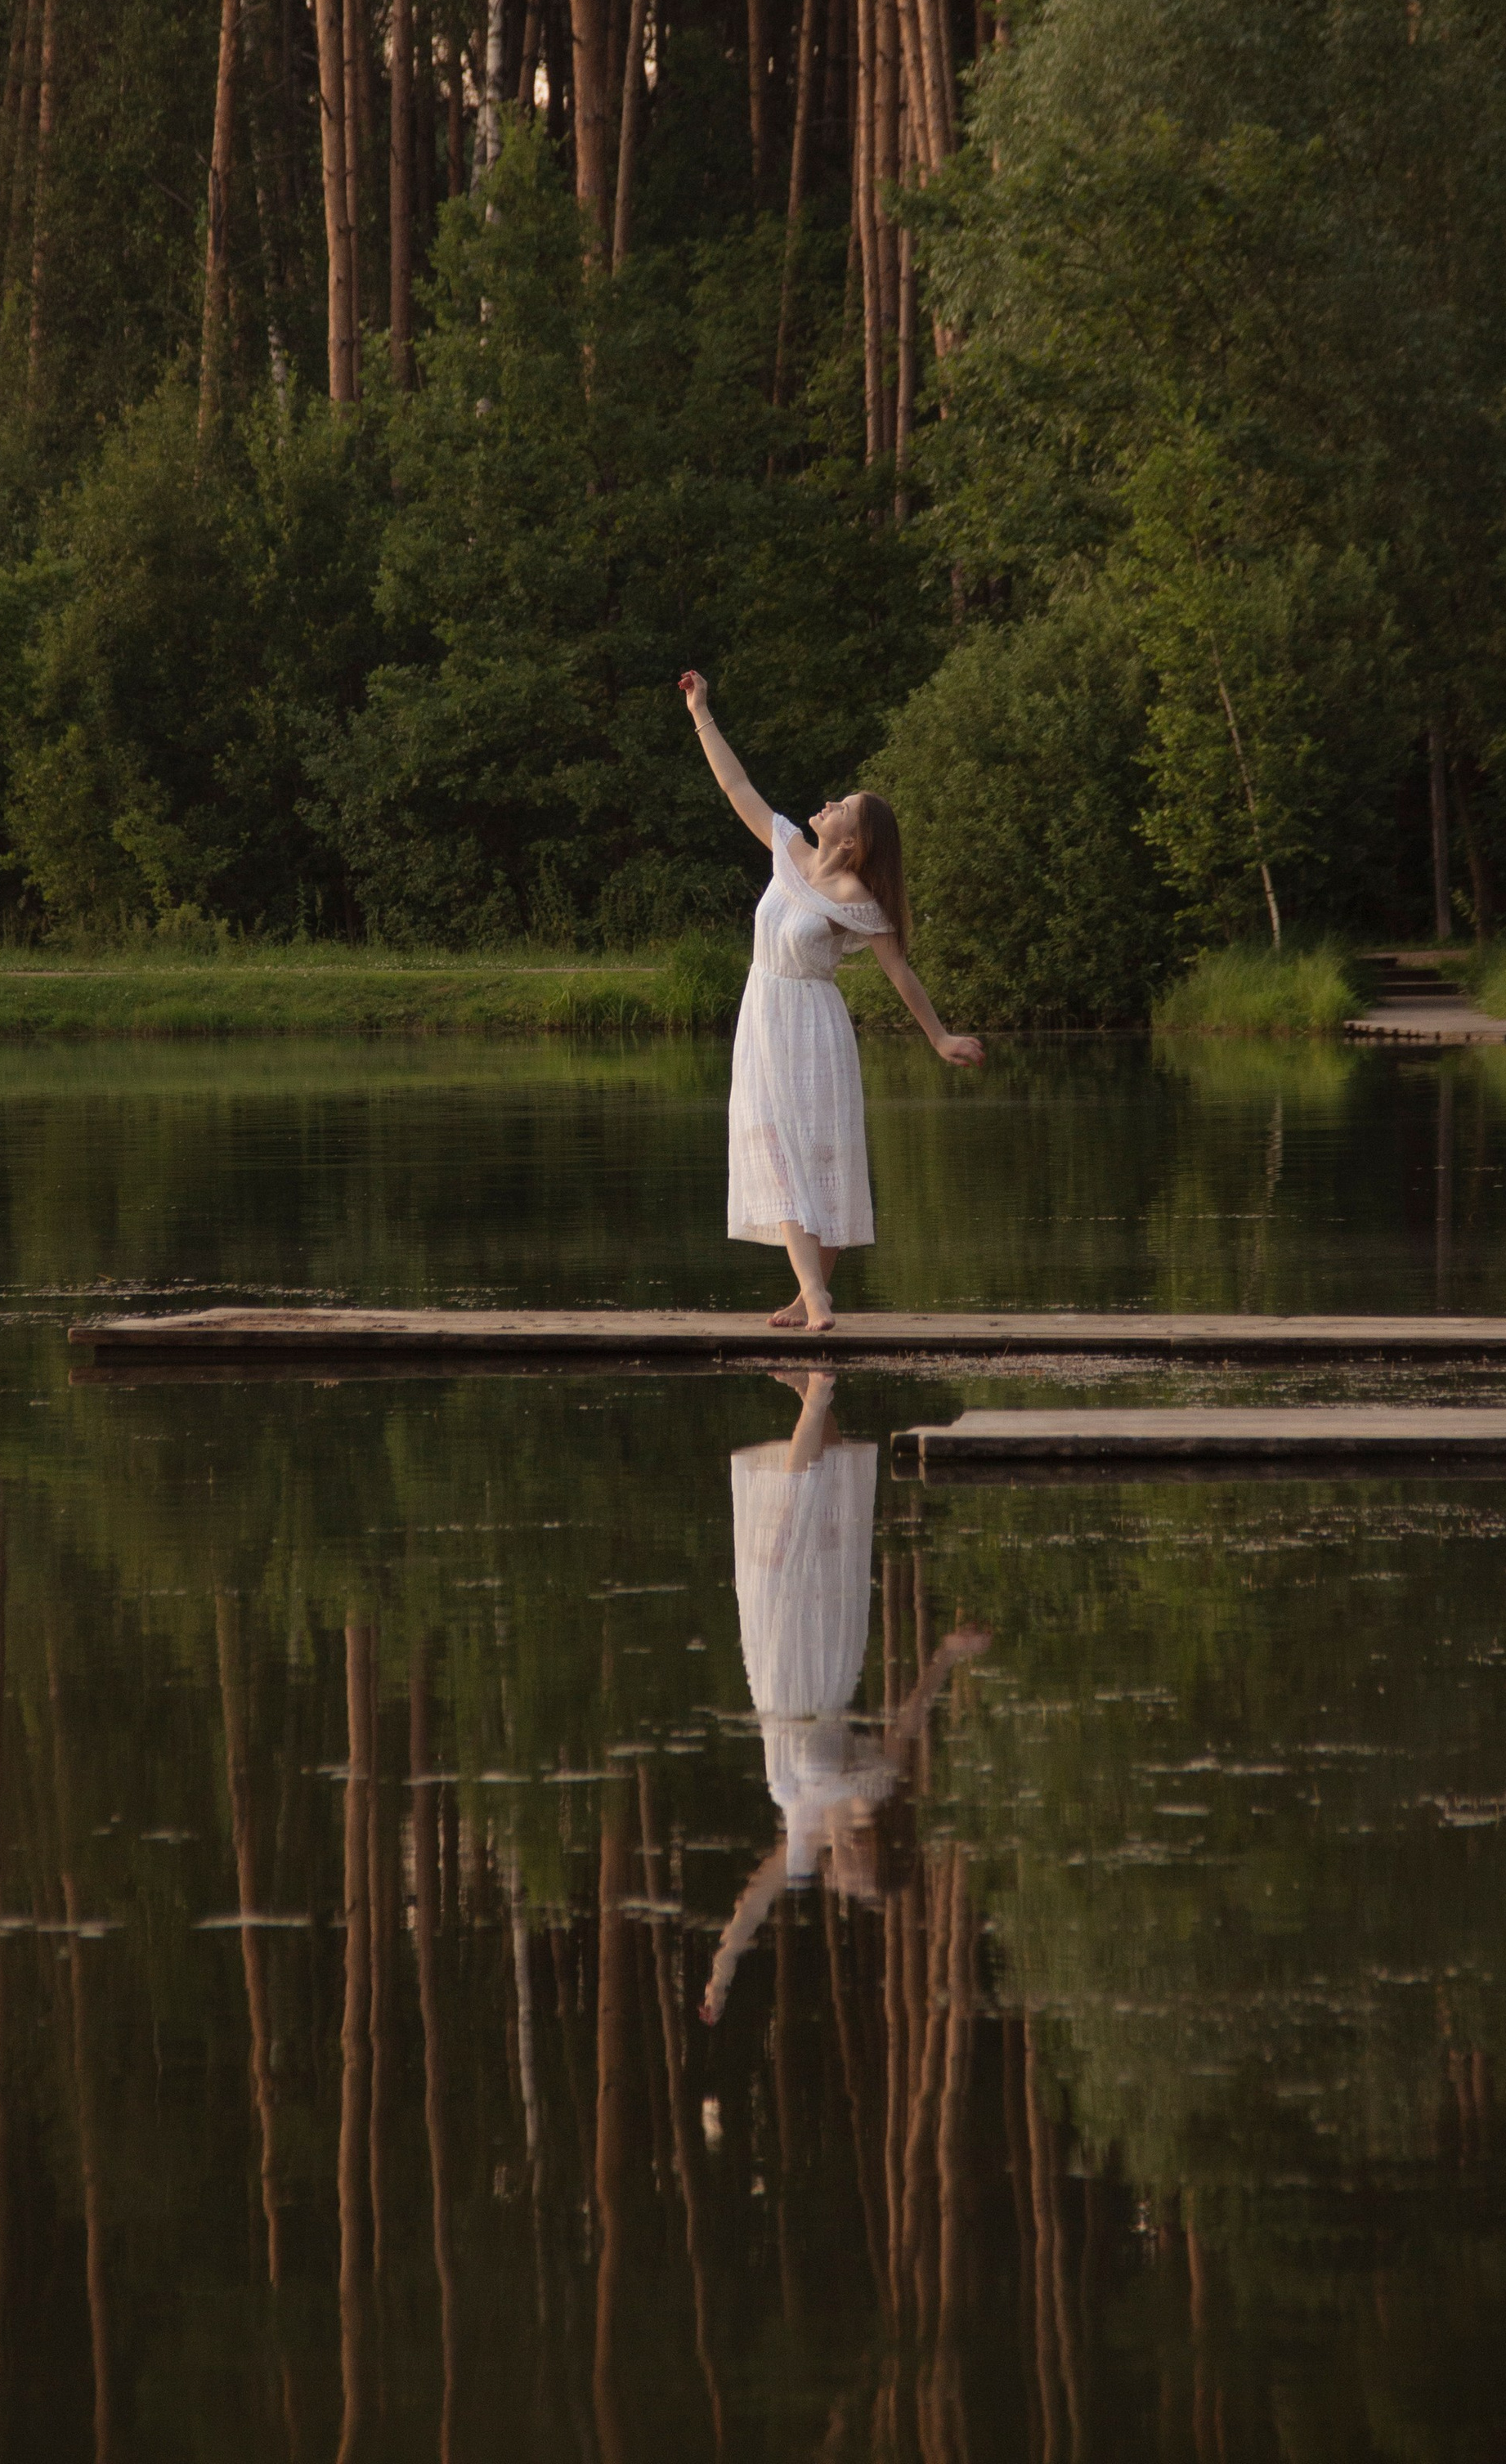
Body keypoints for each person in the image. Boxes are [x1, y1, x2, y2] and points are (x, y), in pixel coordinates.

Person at [678, 669, 984, 1330]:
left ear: (852, 841)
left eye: (842, 806)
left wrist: (939, 1038)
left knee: (823, 1155)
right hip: (764, 1018)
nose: (829, 804)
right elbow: (736, 786)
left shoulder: (857, 902)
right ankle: (810, 1294)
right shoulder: (787, 850)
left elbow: (900, 972)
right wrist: (702, 711)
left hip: (814, 1026)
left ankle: (814, 1295)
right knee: (776, 1144)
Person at [700, 1373, 988, 2026]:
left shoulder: (804, 1837)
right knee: (809, 1508)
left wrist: (723, 1969)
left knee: (793, 1518)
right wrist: (945, 1654)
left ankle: (813, 1388)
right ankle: (817, 1389)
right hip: (821, 1662)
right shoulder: (868, 1793)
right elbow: (909, 1719)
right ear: (872, 1853)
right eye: (855, 1879)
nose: (841, 1880)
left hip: (778, 1664)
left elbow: (754, 1900)